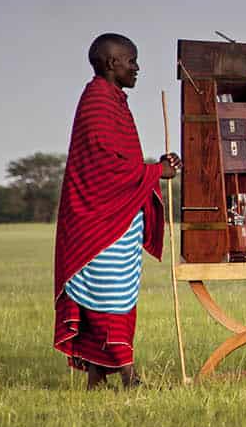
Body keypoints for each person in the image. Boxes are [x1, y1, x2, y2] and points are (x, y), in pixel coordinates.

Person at [54, 33, 180, 389]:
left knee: (115, 293)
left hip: (119, 215)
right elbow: (104, 167)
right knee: (108, 295)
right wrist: (156, 173)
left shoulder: (113, 100)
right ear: (112, 63)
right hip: (99, 220)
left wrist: (157, 165)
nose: (137, 68)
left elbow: (120, 161)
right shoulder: (97, 100)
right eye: (131, 60)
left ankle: (96, 378)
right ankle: (128, 375)